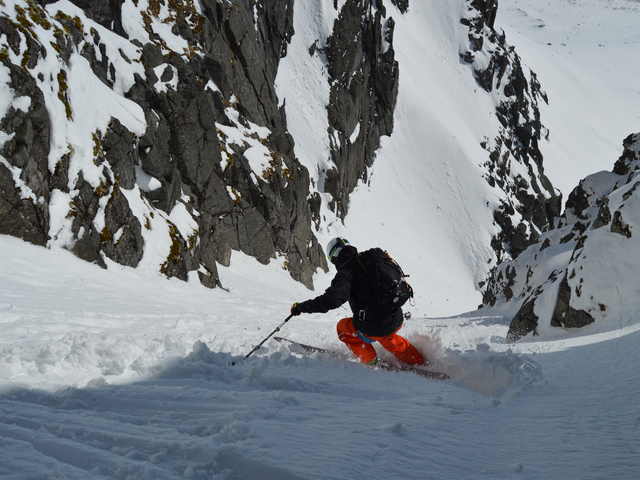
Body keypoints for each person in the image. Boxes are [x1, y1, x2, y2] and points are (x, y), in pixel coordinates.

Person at [291, 237, 425, 366]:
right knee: (388, 337)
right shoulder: (370, 261)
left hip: (372, 328)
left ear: (334, 259)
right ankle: (419, 361)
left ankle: (370, 361)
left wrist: (302, 307)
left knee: (342, 328)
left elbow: (331, 300)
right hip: (396, 317)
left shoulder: (346, 273)